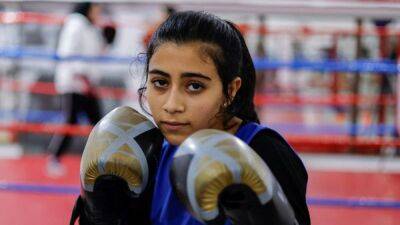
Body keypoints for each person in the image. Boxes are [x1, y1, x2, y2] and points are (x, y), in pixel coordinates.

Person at [71, 11, 310, 225]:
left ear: (231, 90)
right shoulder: (148, 154)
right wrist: (99, 210)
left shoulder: (264, 151)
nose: (172, 105)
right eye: (160, 83)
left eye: (194, 86)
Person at [46, 2, 113, 176]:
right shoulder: (75, 23)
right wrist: (81, 74)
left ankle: (103, 159)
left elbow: (98, 52)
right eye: (96, 9)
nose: (99, 12)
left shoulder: (90, 27)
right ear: (88, 8)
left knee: (97, 122)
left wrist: (108, 37)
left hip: (87, 83)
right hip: (73, 82)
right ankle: (54, 158)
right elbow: (67, 52)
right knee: (73, 121)